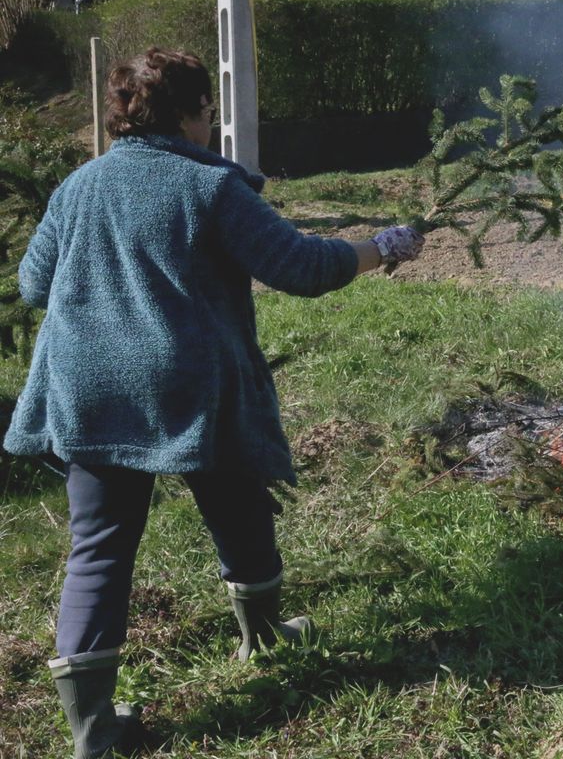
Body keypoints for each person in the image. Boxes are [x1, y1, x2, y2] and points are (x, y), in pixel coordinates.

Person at [2, 47, 424, 759]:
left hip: (86, 389)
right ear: (192, 114)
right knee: (237, 502)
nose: (211, 125)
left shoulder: (77, 186)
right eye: (207, 112)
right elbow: (302, 267)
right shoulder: (212, 189)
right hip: (188, 384)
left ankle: (93, 731)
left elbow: (34, 284)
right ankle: (260, 635)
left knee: (98, 550)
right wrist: (383, 246)